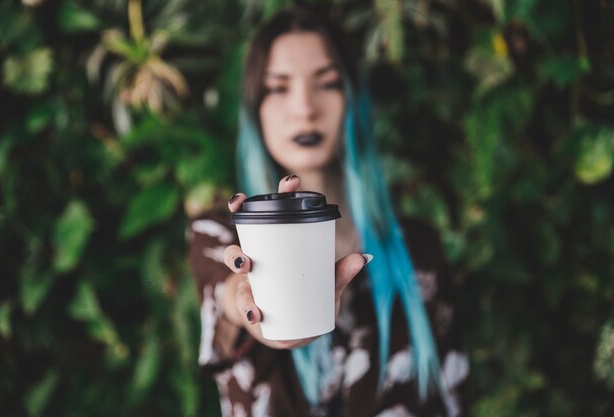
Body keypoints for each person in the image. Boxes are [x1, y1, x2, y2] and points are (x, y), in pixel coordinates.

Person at [187, 6, 469, 417]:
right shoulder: (221, 234)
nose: (305, 107)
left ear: (352, 99)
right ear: (255, 108)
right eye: (279, 88)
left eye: (327, 83)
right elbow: (229, 298)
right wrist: (251, 305)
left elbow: (452, 393)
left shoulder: (418, 249)